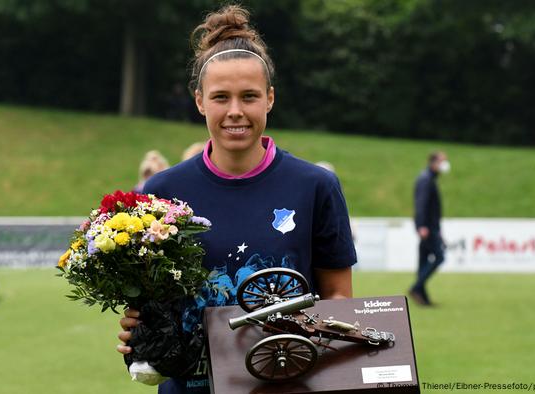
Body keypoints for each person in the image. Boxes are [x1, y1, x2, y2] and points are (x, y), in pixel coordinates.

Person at [116, 5, 356, 393]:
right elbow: (152, 308)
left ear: (270, 98)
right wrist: (140, 333)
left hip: (290, 382)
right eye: (220, 97)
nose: (235, 112)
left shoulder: (316, 186)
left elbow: (338, 295)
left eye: (249, 96)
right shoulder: (160, 192)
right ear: (199, 101)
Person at [409, 151, 450, 306]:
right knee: (439, 257)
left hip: (431, 227)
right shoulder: (426, 180)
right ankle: (415, 288)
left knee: (423, 262)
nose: (445, 164)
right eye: (443, 161)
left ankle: (423, 298)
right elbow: (421, 204)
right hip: (427, 228)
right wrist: (421, 226)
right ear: (433, 163)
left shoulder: (428, 178)